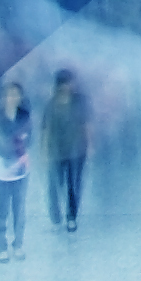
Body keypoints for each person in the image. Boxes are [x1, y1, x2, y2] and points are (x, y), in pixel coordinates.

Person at [0, 73, 33, 258]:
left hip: (21, 171)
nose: (12, 98)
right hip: (1, 171)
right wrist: (18, 144)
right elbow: (1, 143)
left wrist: (20, 147)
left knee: (19, 209)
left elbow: (30, 138)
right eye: (8, 95)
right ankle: (2, 246)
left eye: (16, 94)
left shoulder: (25, 116)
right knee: (2, 209)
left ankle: (18, 244)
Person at [45, 65, 92, 235]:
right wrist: (44, 149)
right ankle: (55, 216)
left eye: (70, 83)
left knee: (73, 185)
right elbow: (47, 128)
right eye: (64, 83)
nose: (68, 87)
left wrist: (89, 145)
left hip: (76, 150)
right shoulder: (52, 104)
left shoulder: (80, 102)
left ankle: (71, 216)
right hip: (57, 150)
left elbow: (86, 125)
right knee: (55, 184)